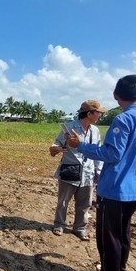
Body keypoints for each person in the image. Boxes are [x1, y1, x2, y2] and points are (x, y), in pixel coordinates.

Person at [66, 75, 136, 271]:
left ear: (116, 96)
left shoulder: (123, 120)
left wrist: (81, 146)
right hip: (134, 190)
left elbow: (112, 153)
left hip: (114, 190)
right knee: (123, 234)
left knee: (108, 237)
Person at [49, 100, 106, 241]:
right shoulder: (69, 128)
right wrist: (55, 148)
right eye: (98, 113)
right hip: (70, 169)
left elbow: (98, 153)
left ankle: (80, 228)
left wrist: (99, 171)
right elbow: (56, 144)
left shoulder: (95, 131)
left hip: (88, 172)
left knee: (85, 203)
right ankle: (59, 224)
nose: (100, 115)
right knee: (63, 201)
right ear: (89, 114)